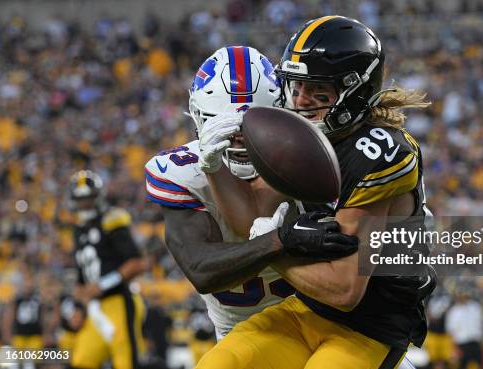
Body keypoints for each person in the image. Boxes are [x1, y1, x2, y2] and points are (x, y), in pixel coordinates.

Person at [196, 15, 435, 369]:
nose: (301, 101)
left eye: (318, 91)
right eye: (296, 87)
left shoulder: (378, 153)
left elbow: (343, 291)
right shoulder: (304, 139)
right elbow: (250, 216)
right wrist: (212, 167)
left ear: (355, 93)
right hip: (307, 307)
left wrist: (272, 246)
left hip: (371, 325)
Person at [143, 46, 357, 340]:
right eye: (223, 126)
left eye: (251, 125)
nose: (239, 139)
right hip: (239, 335)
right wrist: (280, 240)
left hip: (328, 322)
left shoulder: (315, 159)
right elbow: (201, 269)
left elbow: (381, 250)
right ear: (197, 118)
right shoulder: (183, 174)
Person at [67, 170, 148, 369]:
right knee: (82, 360)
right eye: (80, 199)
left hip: (118, 301)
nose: (84, 204)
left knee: (125, 362)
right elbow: (81, 278)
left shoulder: (112, 220)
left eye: (88, 198)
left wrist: (103, 284)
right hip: (94, 308)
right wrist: (78, 307)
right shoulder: (78, 230)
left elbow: (136, 263)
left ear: (98, 197)